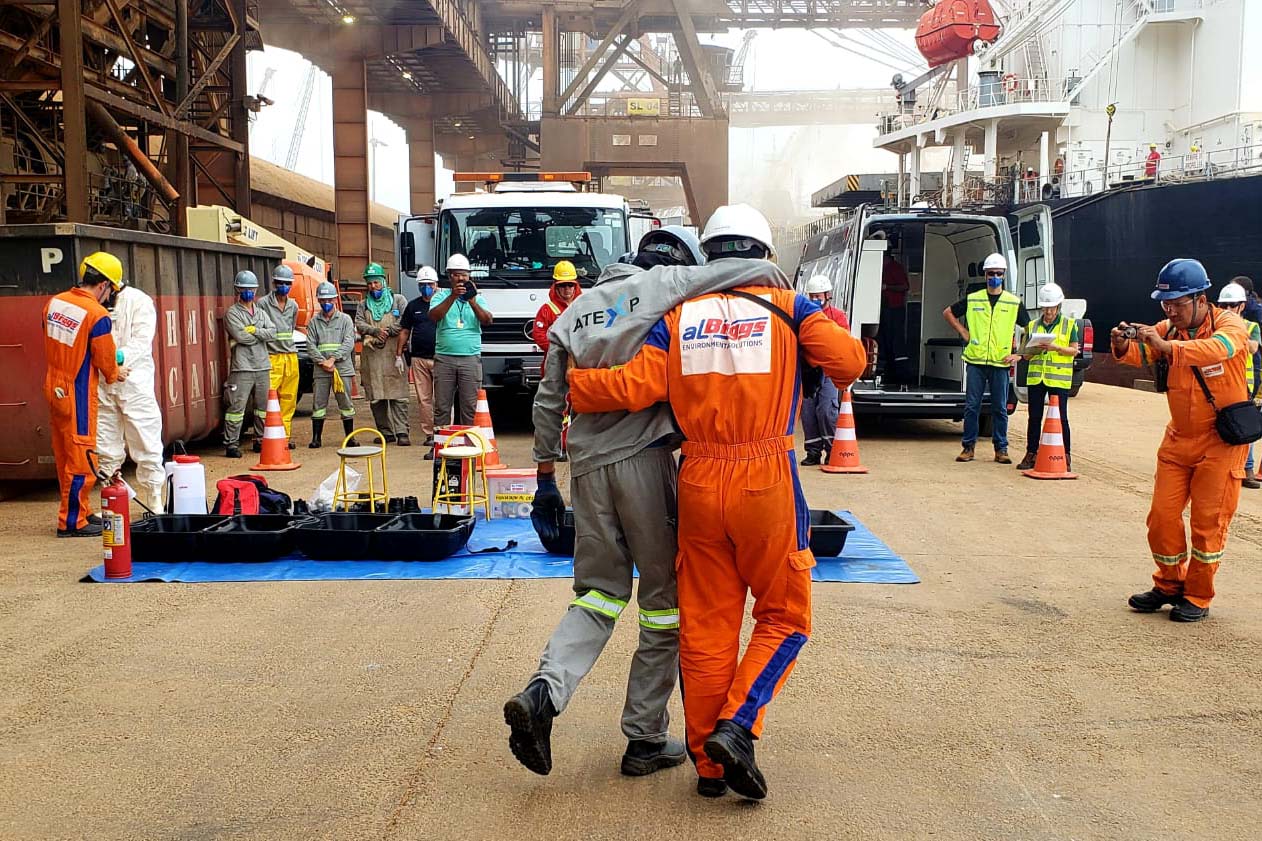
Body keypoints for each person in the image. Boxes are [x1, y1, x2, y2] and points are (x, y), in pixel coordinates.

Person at [565, 205, 868, 801]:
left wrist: (572, 380)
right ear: (764, 254)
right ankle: (738, 724)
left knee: (706, 631)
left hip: (700, 479)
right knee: (784, 616)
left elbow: (633, 387)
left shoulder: (679, 316)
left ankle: (709, 765)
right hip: (767, 481)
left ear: (709, 256)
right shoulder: (789, 308)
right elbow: (850, 363)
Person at [507, 225, 757, 784]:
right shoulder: (665, 284)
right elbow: (733, 272)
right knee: (664, 604)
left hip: (587, 469)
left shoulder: (575, 311)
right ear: (668, 262)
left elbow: (549, 400)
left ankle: (544, 693)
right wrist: (782, 282)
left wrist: (546, 475)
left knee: (597, 595)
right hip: (645, 461)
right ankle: (644, 739)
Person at [1112, 259, 1251, 623]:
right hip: (1179, 439)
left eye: (1175, 304)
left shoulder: (1229, 325)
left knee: (1208, 524)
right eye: (1165, 304)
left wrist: (1167, 346)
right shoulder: (1167, 329)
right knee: (1161, 517)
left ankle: (1198, 595)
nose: (1169, 311)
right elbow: (1143, 353)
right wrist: (1123, 344)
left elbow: (1218, 349)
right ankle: (1168, 584)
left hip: (1220, 444)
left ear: (1200, 299)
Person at [44, 252, 127, 537]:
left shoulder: (54, 303)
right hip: (77, 391)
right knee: (81, 455)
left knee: (64, 453)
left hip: (54, 385)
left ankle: (80, 509)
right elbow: (105, 363)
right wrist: (117, 372)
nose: (110, 297)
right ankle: (72, 522)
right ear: (103, 284)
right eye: (112, 290)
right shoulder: (97, 315)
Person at [96, 260, 164, 513]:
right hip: (103, 382)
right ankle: (112, 497)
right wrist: (108, 367)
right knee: (104, 442)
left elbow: (141, 342)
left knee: (145, 439)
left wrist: (114, 361)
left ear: (111, 285)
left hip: (134, 382)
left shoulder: (139, 301)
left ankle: (154, 495)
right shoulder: (94, 302)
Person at [943, 252, 1021, 463]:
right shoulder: (973, 298)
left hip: (1000, 362)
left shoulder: (1013, 303)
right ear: (985, 275)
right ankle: (968, 448)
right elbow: (948, 312)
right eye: (990, 273)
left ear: (1003, 275)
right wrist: (963, 332)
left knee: (999, 408)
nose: (994, 277)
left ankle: (1001, 449)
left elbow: (1031, 327)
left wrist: (1020, 354)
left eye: (998, 273)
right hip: (976, 361)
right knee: (971, 407)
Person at [1013, 282, 1080, 472]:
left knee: (1061, 419)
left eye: (1051, 307)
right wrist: (1025, 353)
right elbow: (1026, 354)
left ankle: (1065, 455)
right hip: (1036, 379)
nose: (1048, 311)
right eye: (1045, 307)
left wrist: (1056, 347)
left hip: (1058, 379)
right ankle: (1031, 453)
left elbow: (1074, 350)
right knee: (1034, 418)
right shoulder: (1032, 325)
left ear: (1058, 306)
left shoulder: (1069, 325)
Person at [429, 254, 492, 426]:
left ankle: (469, 446)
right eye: (456, 274)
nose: (461, 278)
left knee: (470, 406)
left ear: (469, 276)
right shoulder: (440, 297)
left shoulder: (477, 298)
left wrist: (472, 301)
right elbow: (434, 316)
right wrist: (453, 297)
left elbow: (487, 320)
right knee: (442, 406)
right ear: (449, 277)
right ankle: (440, 448)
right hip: (444, 357)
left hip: (470, 358)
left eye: (464, 274)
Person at [356, 263, 410, 445]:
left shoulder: (398, 300)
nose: (373, 287)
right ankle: (385, 432)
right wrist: (374, 331)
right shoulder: (363, 305)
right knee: (376, 396)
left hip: (394, 354)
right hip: (372, 357)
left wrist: (388, 330)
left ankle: (402, 432)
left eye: (376, 283)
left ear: (383, 281)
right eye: (369, 283)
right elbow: (359, 323)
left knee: (398, 395)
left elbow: (405, 319)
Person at [799, 273, 851, 466]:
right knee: (808, 412)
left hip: (828, 370)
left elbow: (843, 341)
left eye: (818, 296)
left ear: (828, 295)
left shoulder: (838, 316)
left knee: (827, 409)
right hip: (809, 370)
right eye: (812, 296)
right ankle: (813, 452)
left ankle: (831, 450)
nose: (815, 299)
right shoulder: (805, 315)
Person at [223, 270, 275, 459]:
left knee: (262, 408)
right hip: (242, 368)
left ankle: (260, 440)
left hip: (262, 366)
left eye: (251, 289)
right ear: (237, 290)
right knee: (236, 409)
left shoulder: (261, 313)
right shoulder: (232, 313)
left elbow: (273, 332)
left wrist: (255, 332)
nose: (248, 293)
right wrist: (259, 333)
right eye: (244, 289)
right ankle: (231, 444)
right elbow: (241, 336)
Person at [1216, 282, 1261, 489]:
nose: (1227, 310)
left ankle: (1248, 469)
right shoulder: (1215, 327)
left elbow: (1253, 348)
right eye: (1223, 306)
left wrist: (1236, 333)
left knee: (1244, 424)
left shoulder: (1251, 327)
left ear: (1242, 306)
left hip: (1244, 385)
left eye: (1232, 305)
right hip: (1219, 385)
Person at [306, 281, 358, 448]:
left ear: (335, 300)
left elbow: (348, 342)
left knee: (346, 403)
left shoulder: (345, 320)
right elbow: (310, 345)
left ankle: (350, 438)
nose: (326, 303)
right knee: (318, 404)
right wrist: (322, 361)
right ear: (319, 301)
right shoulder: (314, 322)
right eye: (323, 300)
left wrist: (333, 359)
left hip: (341, 368)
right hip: (321, 369)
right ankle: (316, 438)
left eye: (329, 300)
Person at [399, 266, 439, 454]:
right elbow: (405, 330)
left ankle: (443, 432)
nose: (426, 288)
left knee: (442, 399)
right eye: (422, 285)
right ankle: (429, 434)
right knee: (424, 399)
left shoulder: (443, 303)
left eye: (429, 284)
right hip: (419, 359)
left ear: (436, 284)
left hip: (441, 358)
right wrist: (399, 354)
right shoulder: (413, 306)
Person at [259, 264, 300, 447]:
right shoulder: (263, 304)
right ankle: (264, 437)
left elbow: (290, 328)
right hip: (271, 356)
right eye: (281, 283)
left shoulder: (293, 306)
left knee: (288, 399)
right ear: (274, 283)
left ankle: (284, 437)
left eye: (287, 284)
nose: (284, 287)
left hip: (290, 356)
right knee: (268, 399)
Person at [531, 260, 581, 360]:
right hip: (556, 359)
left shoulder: (583, 306)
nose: (567, 289)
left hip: (579, 358)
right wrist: (556, 351)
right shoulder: (547, 309)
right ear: (556, 287)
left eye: (570, 285)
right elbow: (538, 334)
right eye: (562, 285)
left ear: (575, 286)